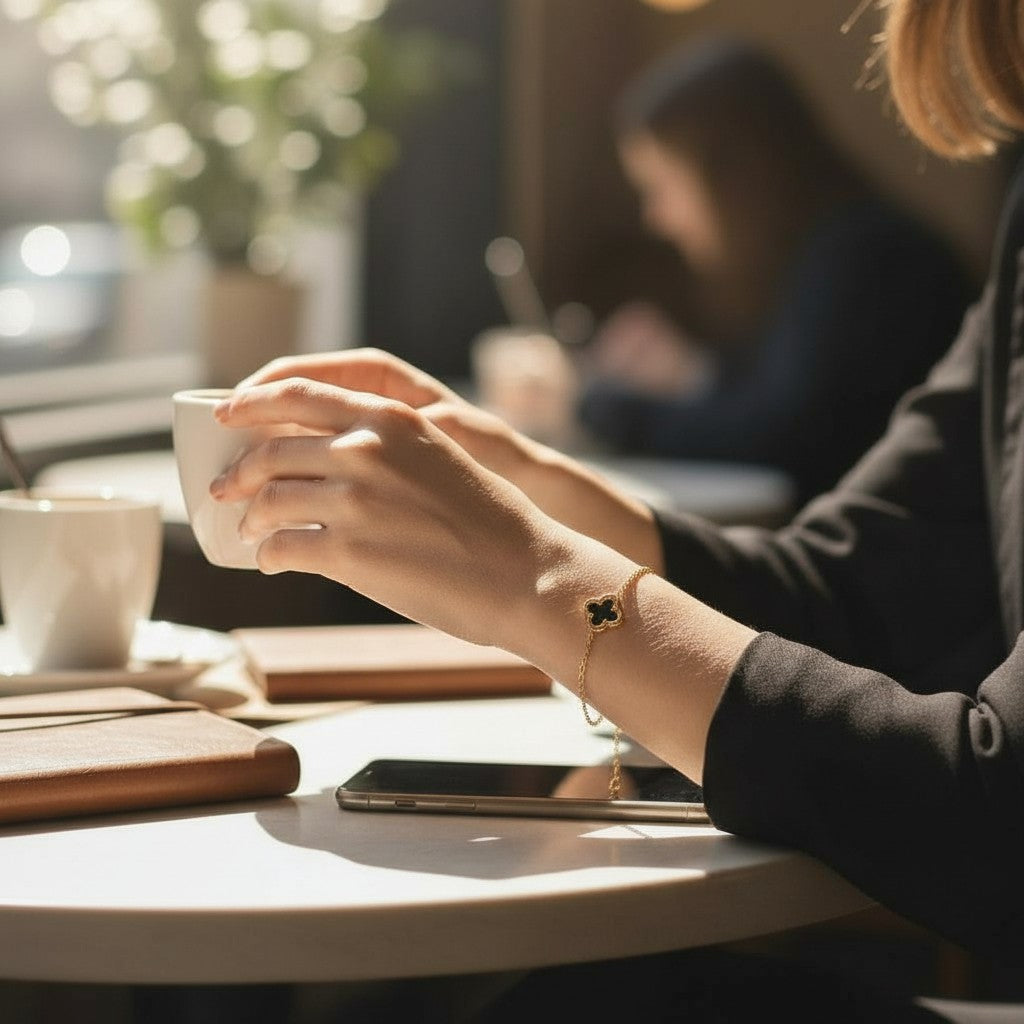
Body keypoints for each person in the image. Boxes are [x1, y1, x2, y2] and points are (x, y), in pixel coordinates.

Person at [209, 0, 1024, 1016]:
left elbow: (999, 816)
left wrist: (547, 583)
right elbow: (843, 595)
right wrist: (532, 484)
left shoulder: (864, 260)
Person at [577, 35, 974, 503]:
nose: (656, 218)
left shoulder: (870, 260)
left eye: (663, 186)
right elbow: (793, 400)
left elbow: (784, 440)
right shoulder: (835, 249)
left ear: (732, 175)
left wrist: (597, 405)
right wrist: (698, 374)